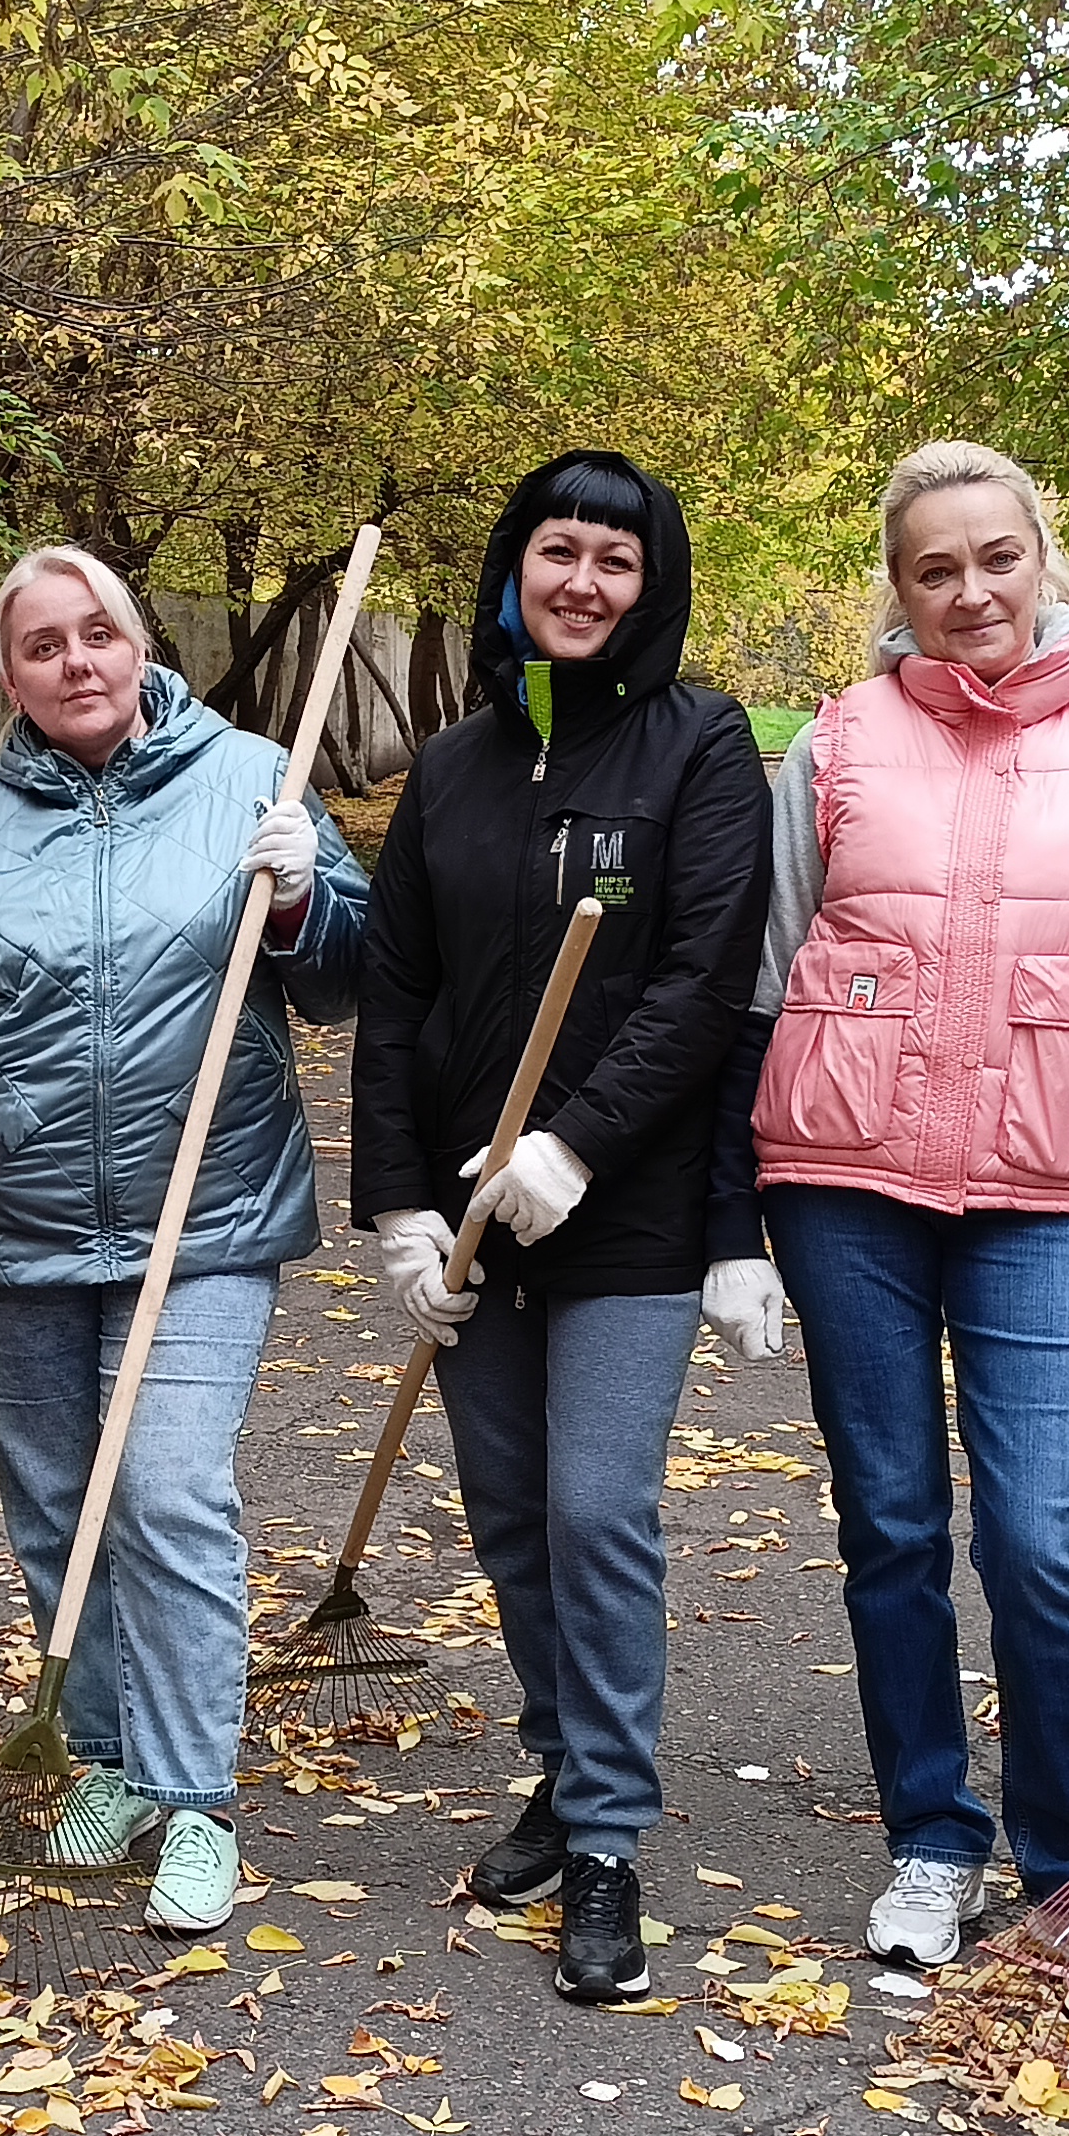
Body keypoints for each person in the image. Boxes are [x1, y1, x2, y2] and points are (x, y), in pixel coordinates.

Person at [733, 442, 1069, 1974]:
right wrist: (725, 1221)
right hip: (844, 1185)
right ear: (898, 588)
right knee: (890, 1524)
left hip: (1049, 1188)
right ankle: (931, 1840)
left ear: (1044, 557)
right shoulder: (833, 746)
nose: (970, 592)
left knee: (1037, 1533)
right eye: (934, 569)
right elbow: (758, 984)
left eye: (996, 558)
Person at [0, 549, 371, 1933]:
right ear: (6, 676)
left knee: (166, 1492)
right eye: (42, 645)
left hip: (202, 1214)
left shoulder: (256, 775)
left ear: (141, 647)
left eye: (100, 635)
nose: (76, 662)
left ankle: (195, 1795)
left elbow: (345, 982)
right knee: (55, 1512)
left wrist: (313, 889)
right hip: (2, 1222)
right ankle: (105, 1763)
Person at [356, 452, 772, 2006]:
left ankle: (604, 1835)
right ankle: (561, 1759)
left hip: (625, 1213)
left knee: (598, 1513)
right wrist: (400, 1202)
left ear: (651, 583)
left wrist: (578, 1145)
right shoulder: (453, 766)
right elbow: (396, 988)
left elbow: (702, 980)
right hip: (469, 1214)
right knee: (512, 1515)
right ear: (514, 570)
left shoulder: (699, 744)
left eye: (617, 559)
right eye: (558, 553)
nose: (584, 582)